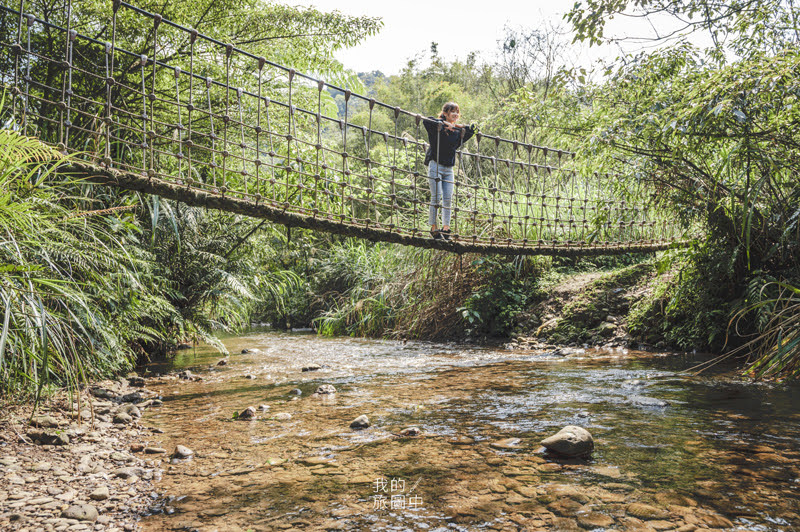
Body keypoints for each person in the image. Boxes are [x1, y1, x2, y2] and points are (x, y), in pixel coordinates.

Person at [422, 102, 476, 240]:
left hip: (449, 169)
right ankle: (434, 228)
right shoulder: (437, 127)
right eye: (452, 111)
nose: (455, 114)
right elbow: (426, 120)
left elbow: (473, 129)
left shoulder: (458, 132)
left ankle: (446, 229)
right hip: (436, 165)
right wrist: (444, 123)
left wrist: (456, 125)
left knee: (448, 199)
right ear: (445, 113)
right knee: (436, 196)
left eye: (457, 112)